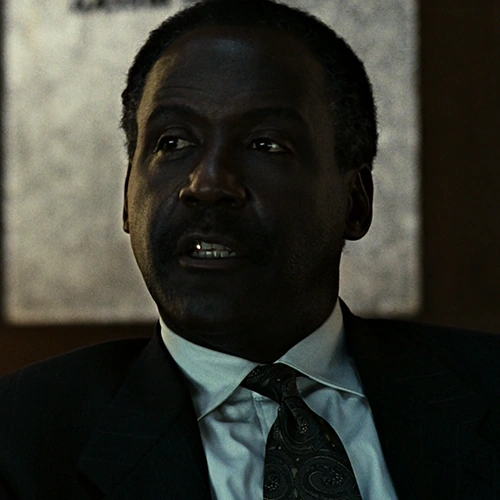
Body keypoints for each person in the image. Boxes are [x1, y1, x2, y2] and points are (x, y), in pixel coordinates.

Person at [1, 0, 499, 498]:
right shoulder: (19, 440)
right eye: (173, 143)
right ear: (128, 198)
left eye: (265, 144)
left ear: (356, 202)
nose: (207, 184)